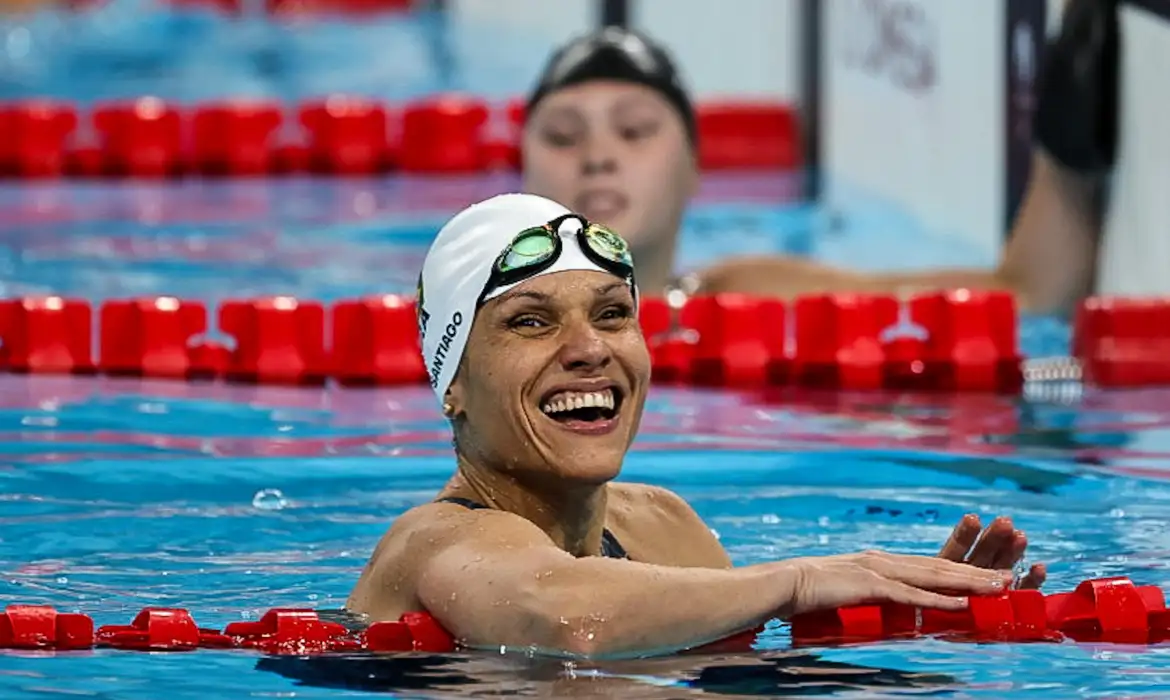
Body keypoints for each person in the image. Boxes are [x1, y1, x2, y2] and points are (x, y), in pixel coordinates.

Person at [346, 192, 1044, 657]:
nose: (591, 348)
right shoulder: (433, 543)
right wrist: (803, 582)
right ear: (454, 386)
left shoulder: (661, 526)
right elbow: (559, 617)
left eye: (613, 313)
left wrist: (911, 623)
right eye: (531, 321)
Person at [519, 6, 1114, 318]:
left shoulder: (749, 295)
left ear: (693, 168)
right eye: (564, 137)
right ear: (522, 173)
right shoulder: (476, 319)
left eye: (634, 131)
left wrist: (1063, 154)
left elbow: (1031, 294)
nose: (598, 157)